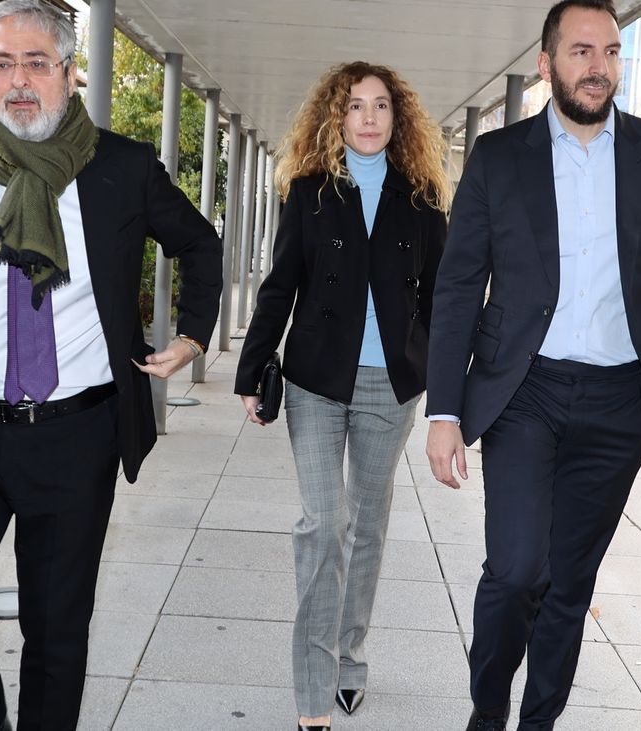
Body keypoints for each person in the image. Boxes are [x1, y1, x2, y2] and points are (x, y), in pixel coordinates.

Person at [0, 1, 222, 727]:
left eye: (37, 63)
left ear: (69, 73)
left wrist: (191, 334)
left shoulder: (121, 168)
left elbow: (199, 242)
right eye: (2, 64)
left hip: (79, 434)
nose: (20, 81)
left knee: (57, 632)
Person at [424, 2, 641, 729]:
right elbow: (459, 285)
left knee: (568, 584)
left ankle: (537, 721)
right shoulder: (499, 156)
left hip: (620, 405)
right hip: (525, 391)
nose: (598, 67)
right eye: (582, 51)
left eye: (611, 52)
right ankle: (488, 707)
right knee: (518, 570)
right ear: (547, 62)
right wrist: (445, 409)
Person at [234, 61, 450, 731]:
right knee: (322, 525)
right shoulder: (308, 192)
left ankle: (351, 653)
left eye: (381, 105)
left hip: (393, 387)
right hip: (316, 383)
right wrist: (249, 368)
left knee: (366, 527)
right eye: (355, 105)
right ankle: (313, 687)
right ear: (336, 115)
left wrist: (446, 387)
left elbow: (440, 298)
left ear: (398, 118)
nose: (368, 116)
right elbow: (280, 285)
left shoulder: (420, 200)